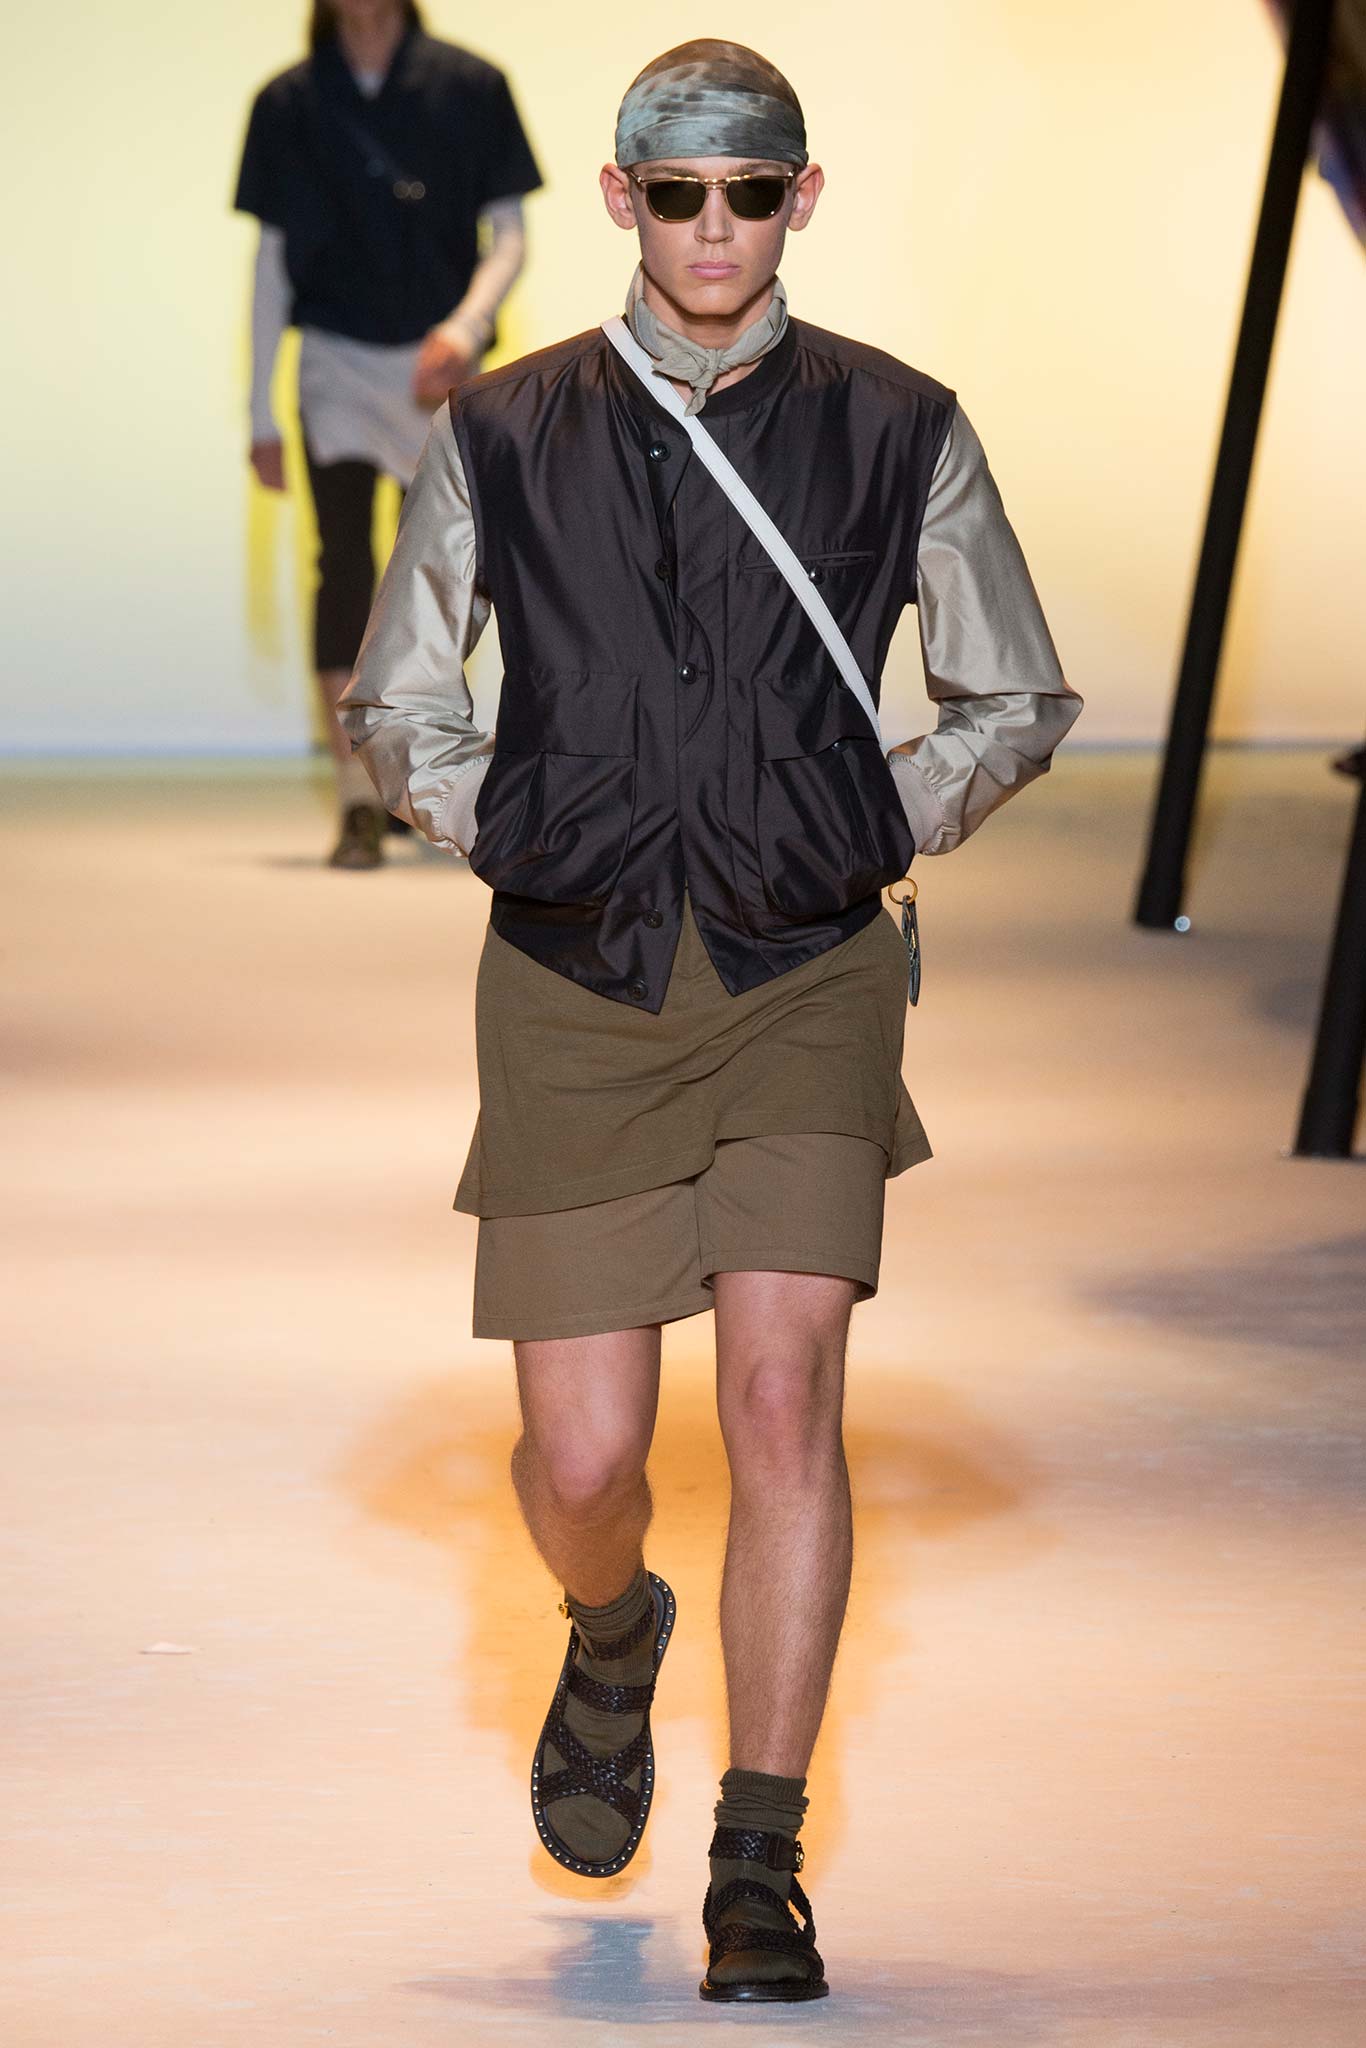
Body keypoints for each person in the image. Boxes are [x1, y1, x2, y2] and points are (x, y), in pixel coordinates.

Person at [340, 39, 1082, 2002]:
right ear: (619, 200)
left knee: (778, 1398)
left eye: (750, 192)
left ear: (800, 198)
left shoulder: (897, 424)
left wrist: (874, 823)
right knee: (583, 1463)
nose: (714, 229)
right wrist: (509, 817)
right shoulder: (507, 427)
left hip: (799, 970)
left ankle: (760, 1854)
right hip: (575, 978)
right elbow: (396, 696)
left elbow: (1014, 691)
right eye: (677, 194)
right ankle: (610, 1629)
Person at [233, 0, 542, 868]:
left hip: (438, 363)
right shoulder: (289, 102)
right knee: (342, 563)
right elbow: (271, 262)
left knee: (443, 576)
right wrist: (259, 411)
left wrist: (466, 328)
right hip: (334, 357)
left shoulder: (470, 85)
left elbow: (510, 235)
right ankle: (357, 796)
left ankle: (420, 778)